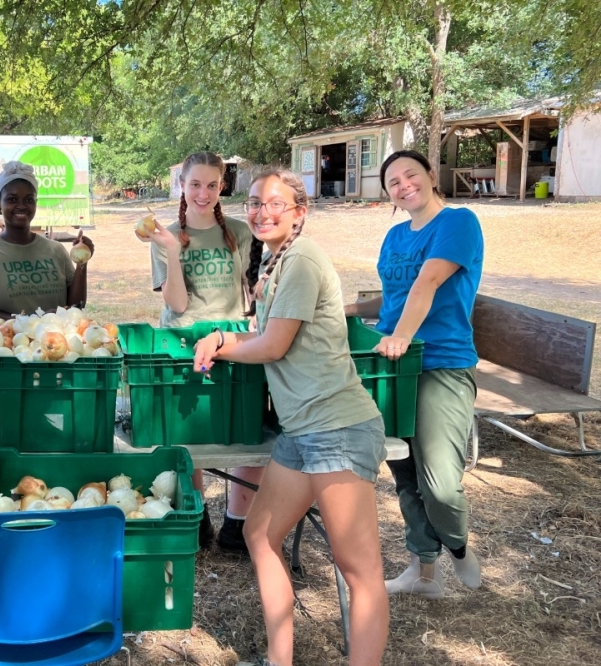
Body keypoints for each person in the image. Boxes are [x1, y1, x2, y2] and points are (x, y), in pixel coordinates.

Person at [193, 167, 389, 666]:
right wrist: (219, 339)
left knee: (358, 567)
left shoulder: (303, 259)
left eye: (275, 203)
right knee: (259, 533)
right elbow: (264, 337)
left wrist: (226, 346)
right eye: (255, 202)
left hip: (338, 426)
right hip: (301, 430)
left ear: (299, 214)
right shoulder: (276, 263)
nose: (261, 211)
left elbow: (274, 345)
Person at [346, 149, 484, 598]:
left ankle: (458, 547)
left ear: (430, 174)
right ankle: (424, 573)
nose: (404, 185)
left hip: (441, 363)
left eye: (411, 175)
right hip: (392, 366)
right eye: (393, 183)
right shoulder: (395, 235)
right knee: (404, 472)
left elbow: (427, 283)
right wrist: (342, 310)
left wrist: (402, 336)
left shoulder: (458, 223)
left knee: (440, 484)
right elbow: (392, 299)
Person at [137, 151, 259, 552]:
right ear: (181, 186)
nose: (203, 193)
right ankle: (197, 516)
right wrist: (172, 250)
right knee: (191, 435)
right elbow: (178, 305)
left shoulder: (240, 232)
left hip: (235, 340)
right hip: (184, 341)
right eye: (194, 185)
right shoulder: (166, 236)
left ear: (222, 186)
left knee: (248, 433)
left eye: (211, 185)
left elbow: (255, 290)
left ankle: (236, 525)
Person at [0, 161, 93, 324]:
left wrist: (82, 262)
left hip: (57, 345)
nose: (21, 206)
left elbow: (75, 306)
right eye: (12, 199)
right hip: (9, 347)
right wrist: (34, 321)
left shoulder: (56, 250)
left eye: (29, 200)